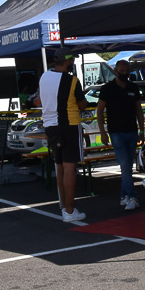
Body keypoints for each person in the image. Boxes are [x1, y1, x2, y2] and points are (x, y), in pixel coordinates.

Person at [40, 51, 87, 222]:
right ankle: (69, 210)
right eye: (72, 60)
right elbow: (82, 105)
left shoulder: (44, 77)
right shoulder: (72, 80)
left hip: (50, 127)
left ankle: (64, 206)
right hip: (69, 125)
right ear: (67, 62)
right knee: (69, 168)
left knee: (59, 166)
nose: (72, 63)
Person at [97, 59, 144, 211]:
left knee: (128, 167)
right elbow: (99, 111)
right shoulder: (107, 88)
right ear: (116, 71)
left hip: (132, 131)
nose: (124, 73)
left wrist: (142, 130)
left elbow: (139, 110)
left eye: (127, 71)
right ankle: (132, 196)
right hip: (116, 132)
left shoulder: (133, 87)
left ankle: (124, 195)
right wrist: (103, 132)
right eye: (122, 71)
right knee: (125, 165)